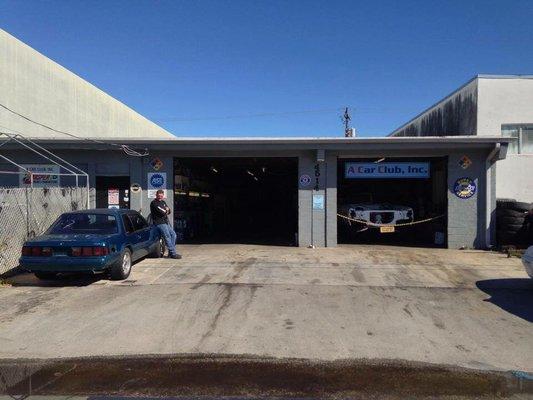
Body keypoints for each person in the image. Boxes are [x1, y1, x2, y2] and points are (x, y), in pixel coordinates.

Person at [150, 189, 181, 259]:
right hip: (159, 223)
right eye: (159, 196)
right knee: (167, 237)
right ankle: (173, 253)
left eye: (161, 196)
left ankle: (170, 252)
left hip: (165, 222)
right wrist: (166, 210)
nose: (160, 197)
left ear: (163, 196)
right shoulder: (154, 203)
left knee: (173, 235)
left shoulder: (163, 202)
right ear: (156, 195)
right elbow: (162, 212)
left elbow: (169, 211)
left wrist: (166, 210)